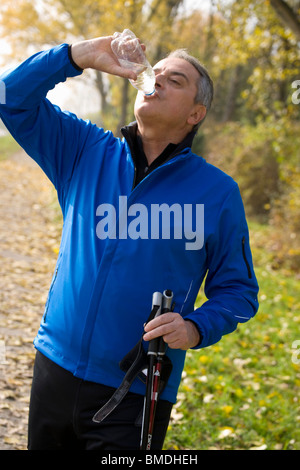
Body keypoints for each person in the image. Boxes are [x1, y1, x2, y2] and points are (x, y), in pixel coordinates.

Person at [0, 35, 259, 450]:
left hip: (138, 391)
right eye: (155, 73)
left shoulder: (218, 192)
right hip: (55, 367)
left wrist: (195, 326)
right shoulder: (84, 151)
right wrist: (76, 56)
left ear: (196, 113)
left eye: (174, 80)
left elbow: (239, 292)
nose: (156, 81)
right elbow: (9, 96)